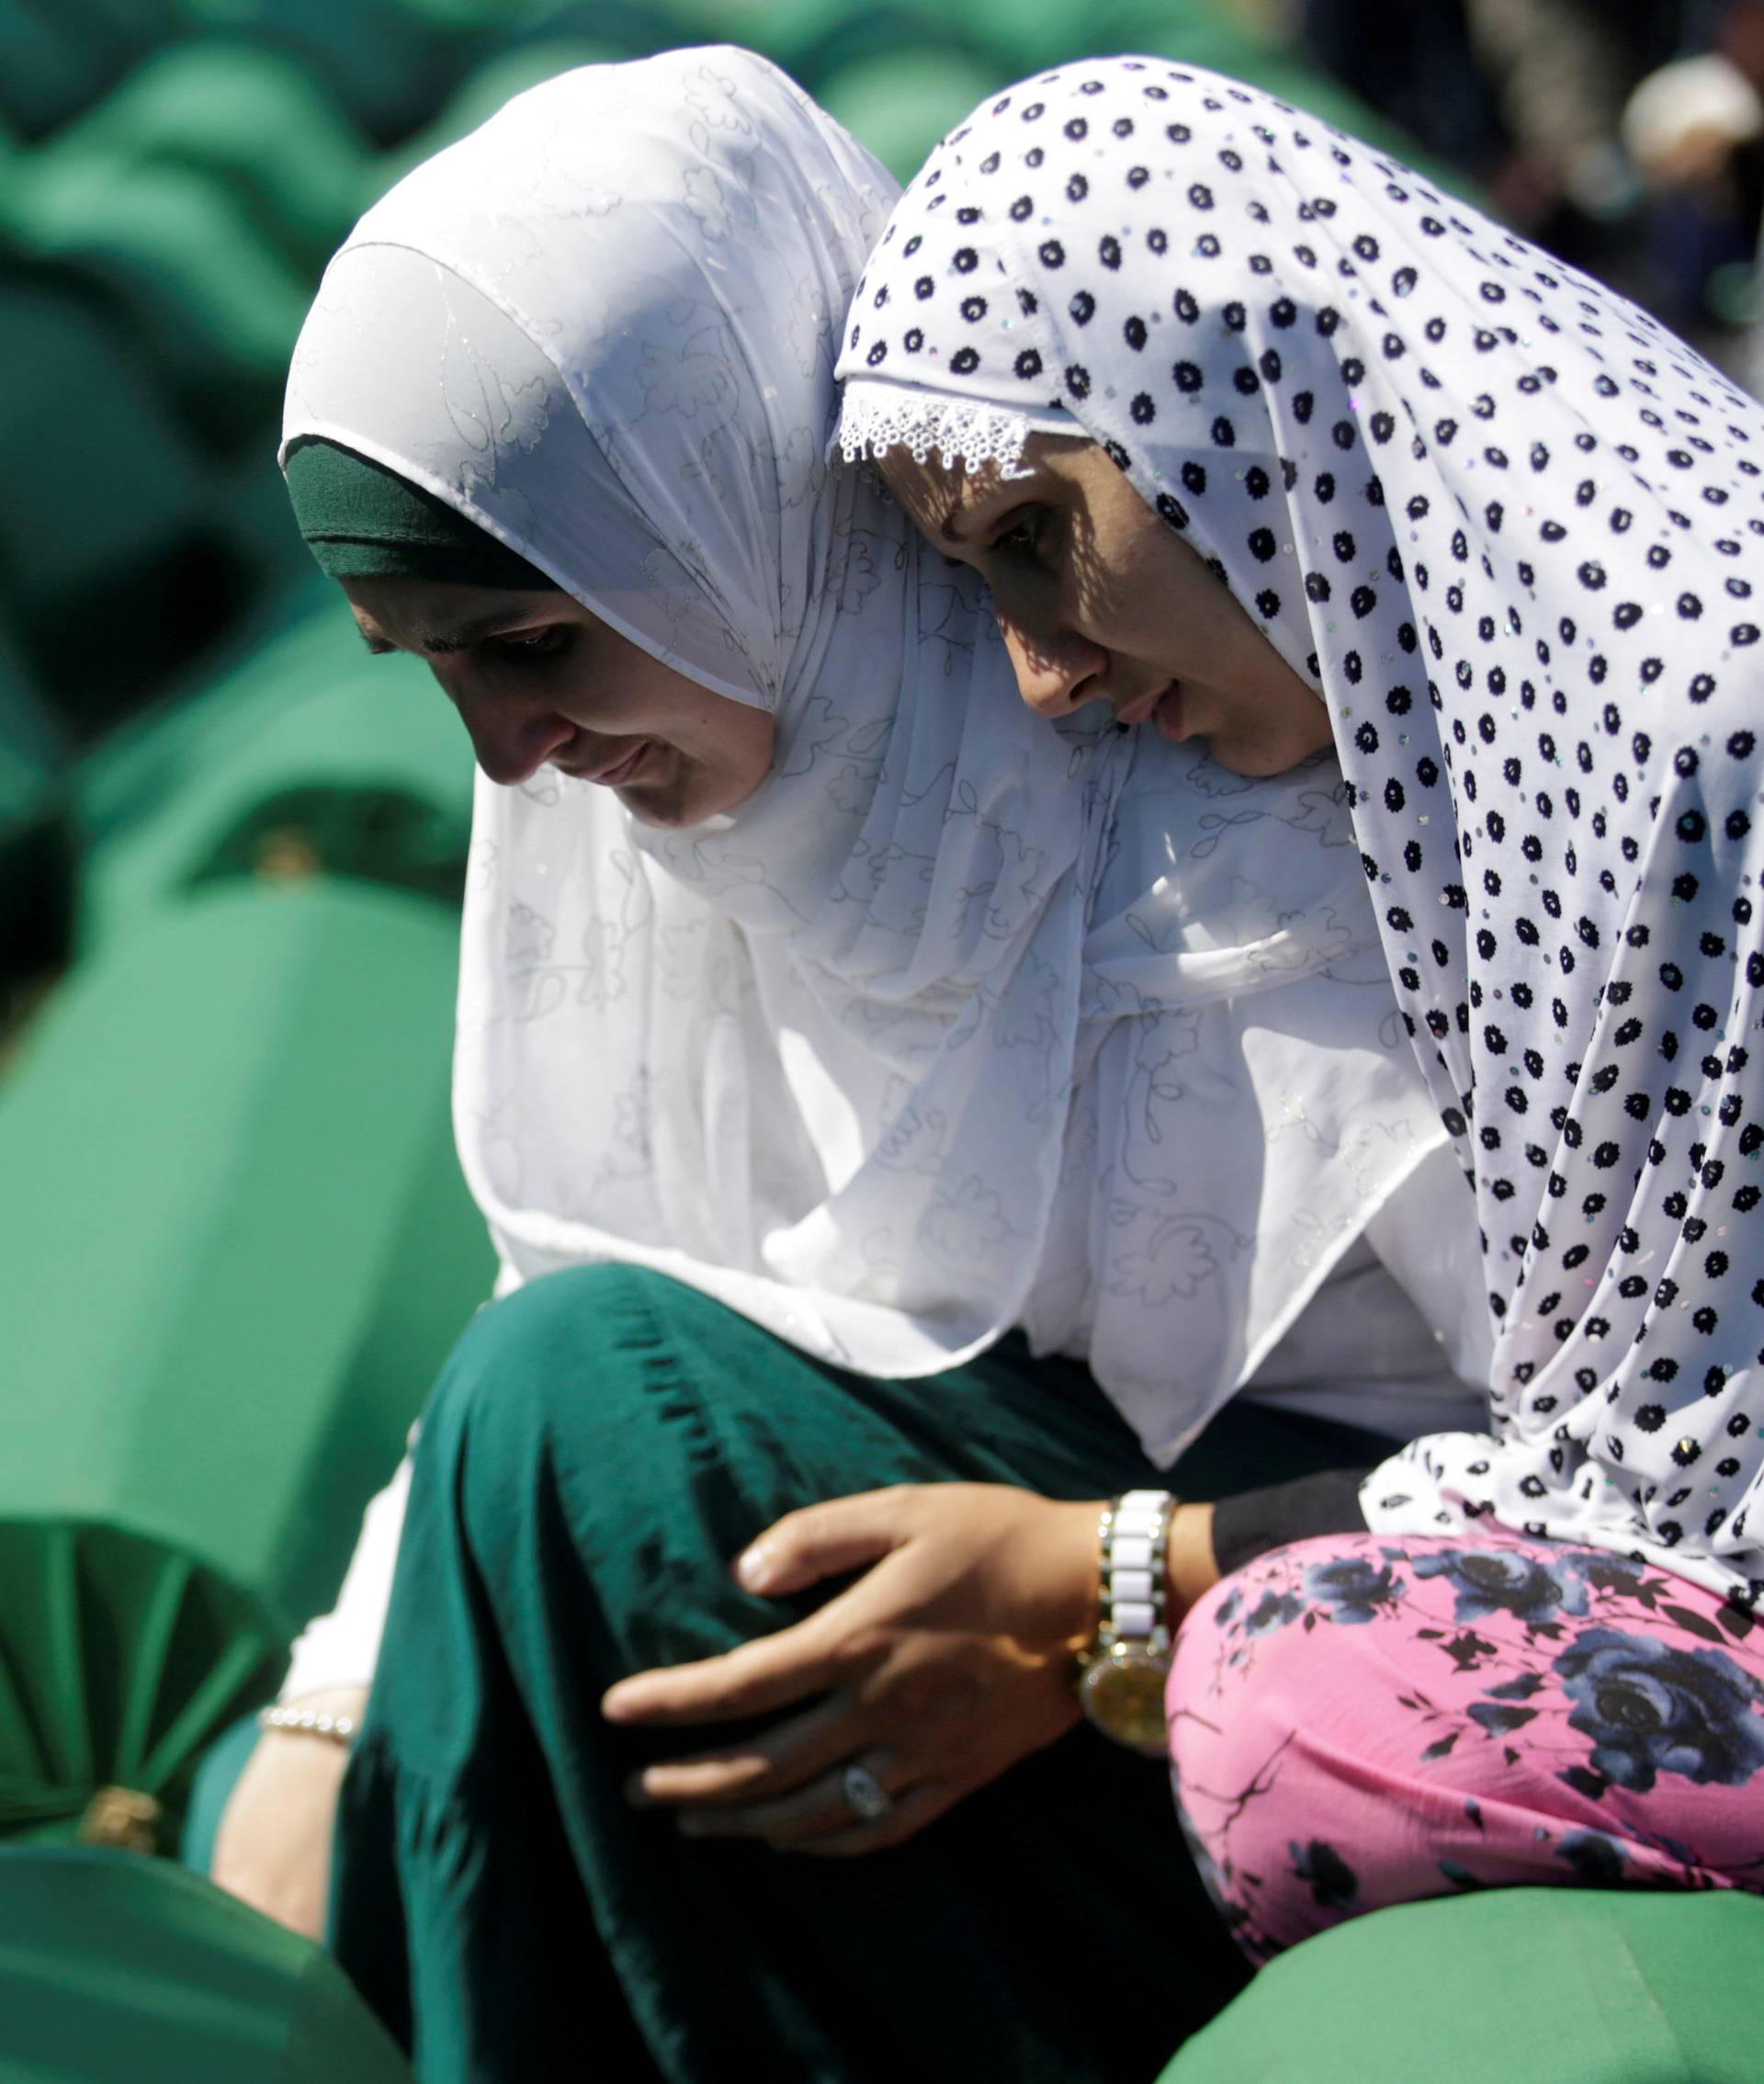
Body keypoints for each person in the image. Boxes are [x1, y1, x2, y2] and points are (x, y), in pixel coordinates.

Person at [221, 46, 1503, 2081]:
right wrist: (317, 1725)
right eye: (432, 668)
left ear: (738, 507)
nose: (500, 757)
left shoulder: (1240, 793)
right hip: (1015, 1664)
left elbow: (1658, 1499)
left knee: (590, 1431)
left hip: (1354, 1676)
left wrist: (1112, 1603)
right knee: (305, 1753)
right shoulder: (693, 809)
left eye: (534, 642)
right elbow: (577, 1248)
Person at [835, 53, 1764, 1958]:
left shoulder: (1698, 722)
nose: (1037, 679)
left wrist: (1126, 1573)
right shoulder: (1487, 725)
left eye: (1040, 538)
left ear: (1241, 400)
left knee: (1306, 1706)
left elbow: (1681, 1500)